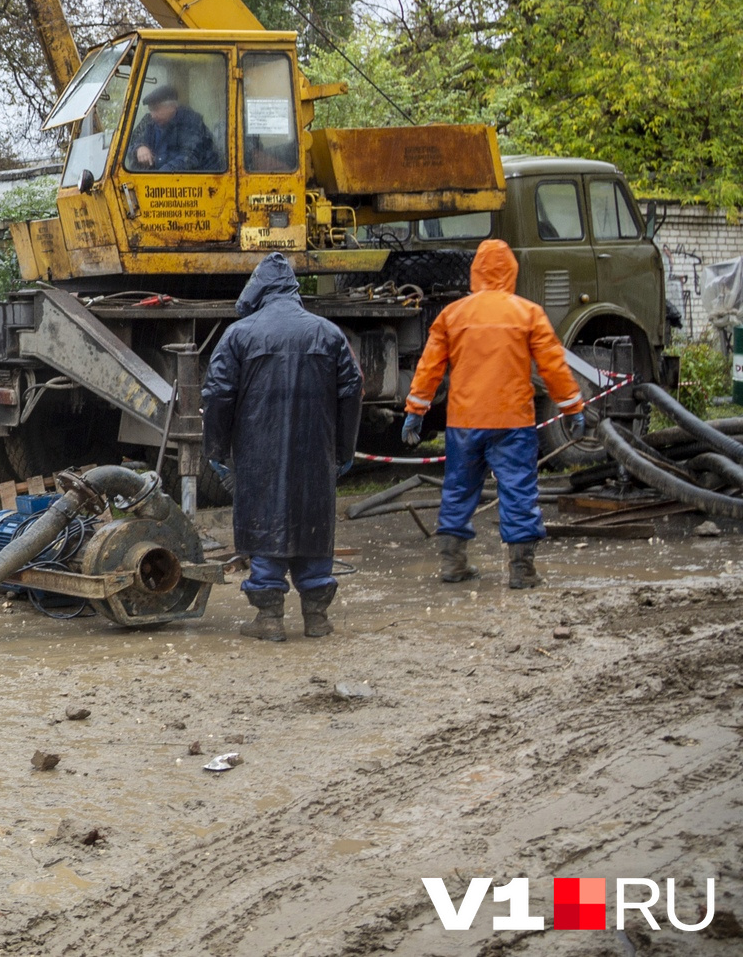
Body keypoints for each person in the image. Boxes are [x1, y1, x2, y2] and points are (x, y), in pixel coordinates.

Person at [402, 237, 583, 590]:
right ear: (511, 272)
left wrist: (416, 410)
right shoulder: (528, 313)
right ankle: (522, 571)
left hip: (465, 422)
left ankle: (453, 564)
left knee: (457, 489)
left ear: (475, 273)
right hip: (512, 422)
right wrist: (571, 407)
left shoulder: (452, 314)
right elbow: (553, 367)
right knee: (518, 490)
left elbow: (428, 368)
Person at [201, 254, 365, 641]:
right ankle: (317, 616)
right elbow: (352, 389)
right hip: (316, 451)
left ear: (258, 289)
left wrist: (216, 449)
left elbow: (218, 393)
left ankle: (270, 618)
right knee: (313, 523)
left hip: (258, 454)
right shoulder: (328, 333)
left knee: (264, 523)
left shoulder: (239, 334)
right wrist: (343, 450)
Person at [128, 83, 220, 172]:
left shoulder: (191, 122)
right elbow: (130, 142)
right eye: (151, 110)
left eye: (156, 109)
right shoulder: (148, 121)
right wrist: (139, 147)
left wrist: (159, 177)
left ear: (172, 107)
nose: (152, 115)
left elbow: (189, 157)